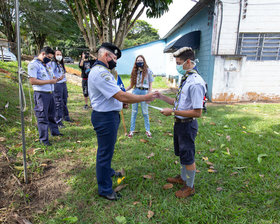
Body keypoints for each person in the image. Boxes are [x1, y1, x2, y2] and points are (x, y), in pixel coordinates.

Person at [88, 42, 156, 201]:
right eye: (114, 57)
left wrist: (121, 103)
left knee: (108, 149)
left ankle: (108, 172)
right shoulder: (101, 73)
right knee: (104, 152)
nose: (116, 61)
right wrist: (145, 97)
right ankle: (105, 189)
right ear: (106, 56)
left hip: (109, 115)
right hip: (105, 118)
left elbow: (114, 95)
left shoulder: (105, 71)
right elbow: (122, 95)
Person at [156, 47, 206, 198]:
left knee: (188, 155)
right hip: (179, 124)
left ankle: (189, 187)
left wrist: (172, 112)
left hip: (187, 125)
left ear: (188, 62)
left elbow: (197, 112)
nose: (177, 66)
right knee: (182, 154)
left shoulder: (196, 83)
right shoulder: (186, 79)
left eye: (179, 63)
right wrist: (161, 96)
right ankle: (183, 178)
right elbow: (180, 103)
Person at [28, 46, 63, 146]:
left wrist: (56, 79)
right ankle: (44, 139)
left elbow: (50, 76)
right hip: (41, 94)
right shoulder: (34, 65)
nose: (50, 59)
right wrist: (50, 81)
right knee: (42, 116)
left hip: (50, 92)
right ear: (43, 54)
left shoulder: (46, 64)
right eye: (49, 57)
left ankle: (55, 132)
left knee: (52, 114)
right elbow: (33, 81)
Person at [125, 55, 154, 138]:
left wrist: (149, 94)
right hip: (136, 91)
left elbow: (150, 83)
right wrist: (124, 90)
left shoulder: (148, 71)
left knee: (145, 112)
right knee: (134, 112)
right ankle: (131, 131)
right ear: (136, 62)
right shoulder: (135, 71)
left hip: (144, 92)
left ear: (144, 61)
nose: (139, 62)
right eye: (138, 60)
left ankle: (148, 131)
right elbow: (131, 85)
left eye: (141, 60)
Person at [51, 50, 72, 128]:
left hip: (63, 84)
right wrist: (57, 79)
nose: (59, 56)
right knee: (58, 102)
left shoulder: (60, 64)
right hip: (57, 84)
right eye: (57, 54)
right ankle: (58, 120)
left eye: (60, 54)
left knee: (64, 100)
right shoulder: (53, 64)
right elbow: (51, 74)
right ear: (54, 55)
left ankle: (65, 116)